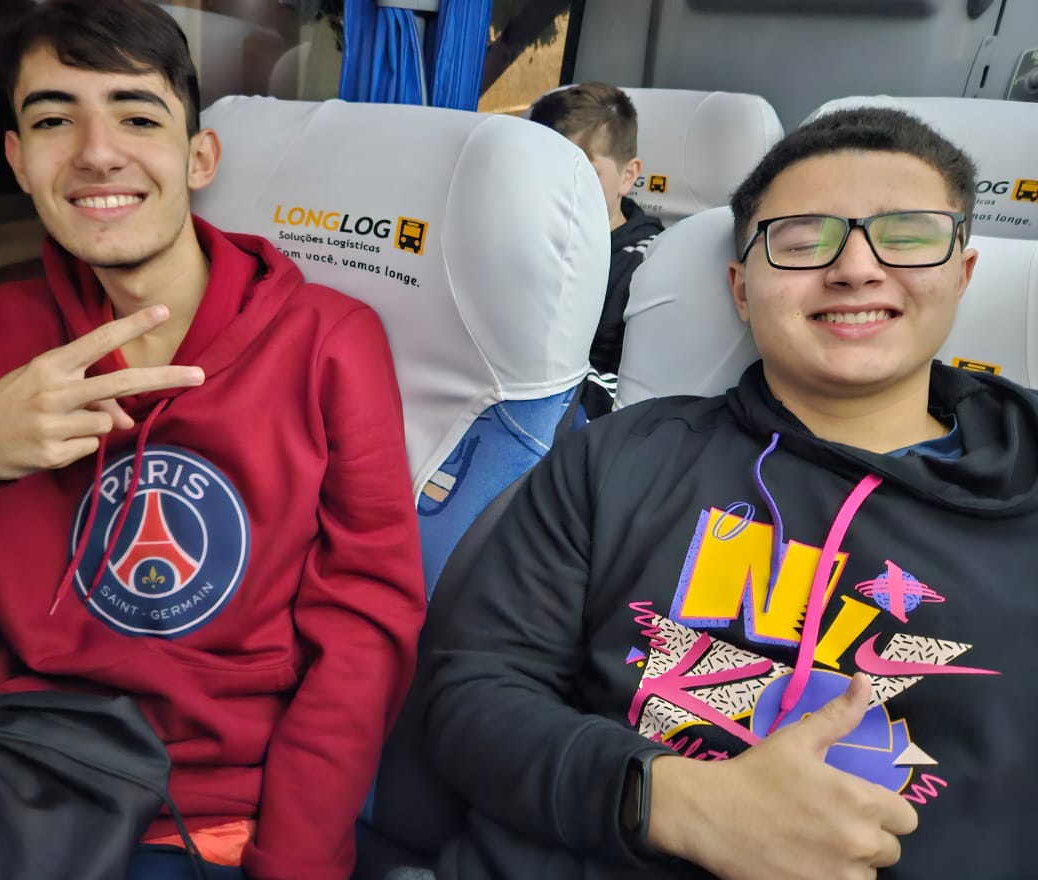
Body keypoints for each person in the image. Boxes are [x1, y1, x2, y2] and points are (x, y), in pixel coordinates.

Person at [0, 0, 425, 880]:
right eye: (53, 120)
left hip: (197, 810)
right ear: (18, 160)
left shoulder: (328, 341)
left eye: (136, 116)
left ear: (199, 157)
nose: (96, 151)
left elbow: (365, 626)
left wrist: (299, 863)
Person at [423, 106, 1038, 879]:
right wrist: (676, 804)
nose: (855, 267)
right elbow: (471, 695)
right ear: (742, 289)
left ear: (961, 273)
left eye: (907, 235)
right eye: (803, 240)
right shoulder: (619, 456)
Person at [528, 83, 663, 397]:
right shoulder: (516, 239)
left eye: (581, 172)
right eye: (542, 169)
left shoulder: (647, 269)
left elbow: (631, 394)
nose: (556, 186)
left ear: (628, 176)